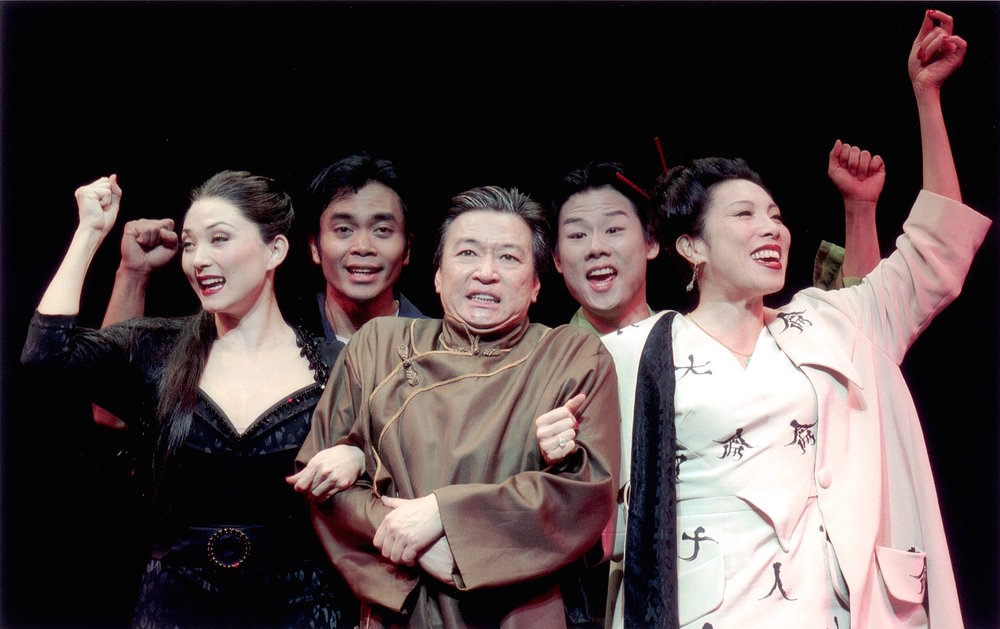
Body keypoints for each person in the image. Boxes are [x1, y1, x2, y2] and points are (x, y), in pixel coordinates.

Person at [600, 10, 987, 627]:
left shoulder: (831, 321)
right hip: (702, 609)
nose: (771, 228)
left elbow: (936, 250)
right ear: (691, 247)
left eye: (775, 215)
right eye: (744, 216)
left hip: (827, 606)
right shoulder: (633, 350)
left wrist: (927, 97)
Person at [21, 171, 356, 627]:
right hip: (176, 605)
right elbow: (44, 356)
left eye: (219, 239)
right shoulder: (156, 348)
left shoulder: (336, 363)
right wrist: (89, 234)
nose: (199, 260)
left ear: (274, 250)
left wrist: (356, 454)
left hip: (300, 607)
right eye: (191, 244)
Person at [290, 185, 621, 627]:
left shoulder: (569, 354)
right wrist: (424, 543)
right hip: (404, 605)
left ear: (537, 283)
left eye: (509, 257)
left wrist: (444, 516)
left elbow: (585, 492)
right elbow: (325, 488)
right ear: (438, 275)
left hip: (522, 609)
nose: (486, 273)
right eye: (467, 253)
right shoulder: (379, 346)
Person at [298, 151, 425, 343]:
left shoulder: (438, 350)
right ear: (315, 246)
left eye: (382, 230)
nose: (363, 247)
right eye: (343, 229)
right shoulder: (283, 341)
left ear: (408, 248)